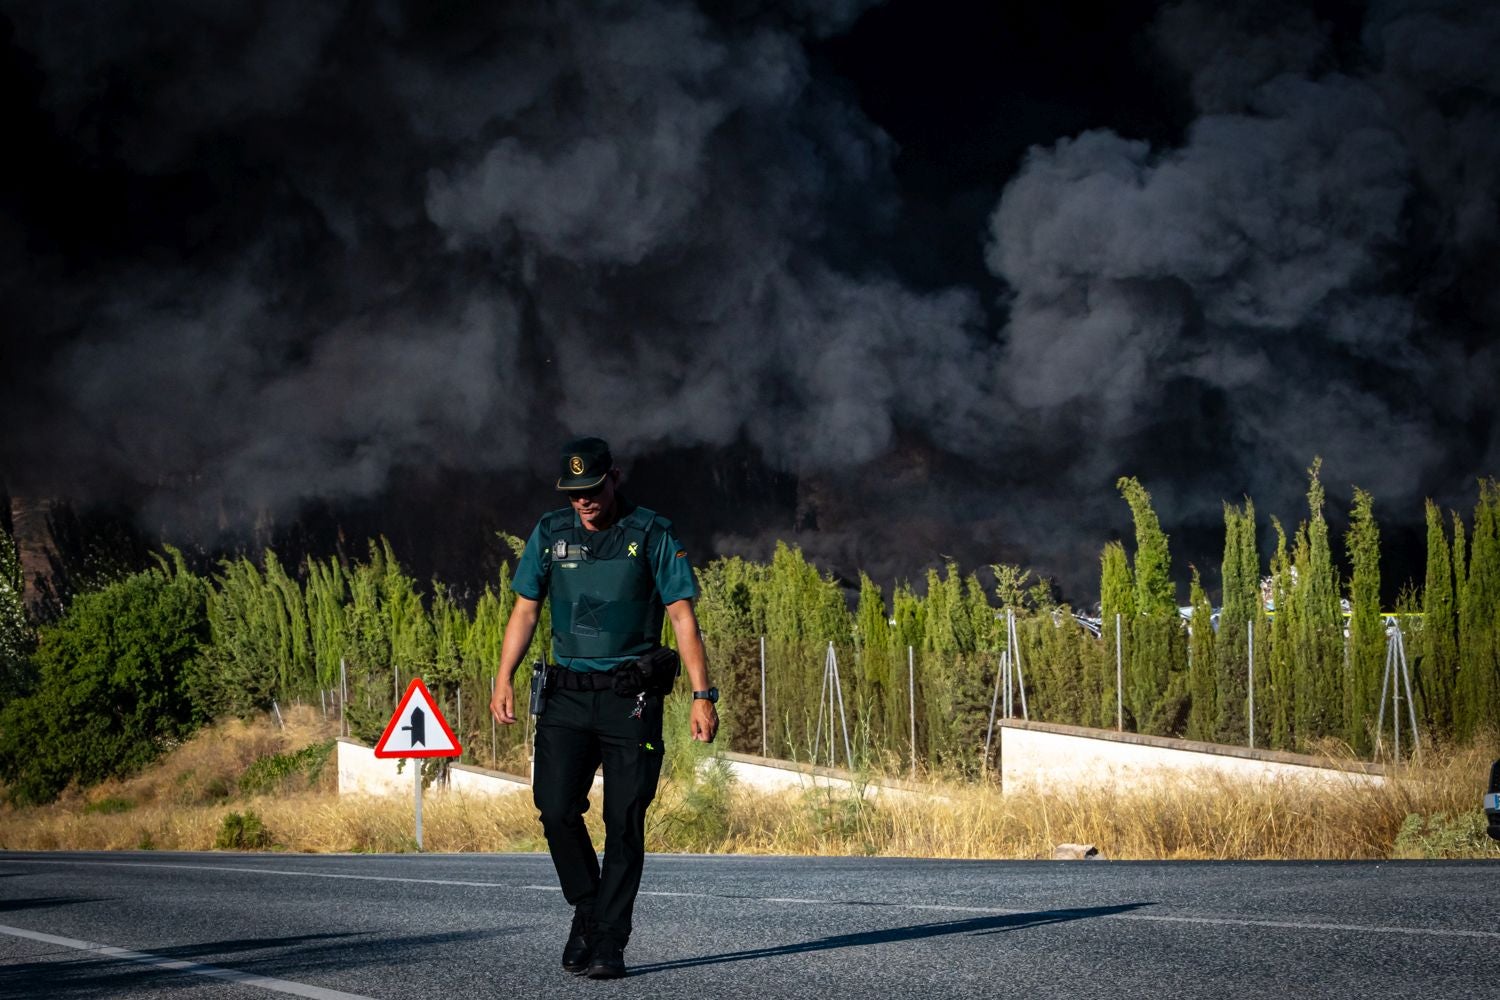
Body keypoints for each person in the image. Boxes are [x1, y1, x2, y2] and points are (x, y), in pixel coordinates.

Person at [489, 436, 719, 979]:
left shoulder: (651, 533)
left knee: (624, 820)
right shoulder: (550, 532)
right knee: (554, 807)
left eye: (591, 489)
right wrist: (503, 677)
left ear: (613, 477)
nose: (583, 502)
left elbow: (682, 616)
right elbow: (525, 610)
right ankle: (588, 911)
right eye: (573, 494)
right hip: (566, 697)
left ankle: (610, 941)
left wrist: (701, 695)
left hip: (629, 698)